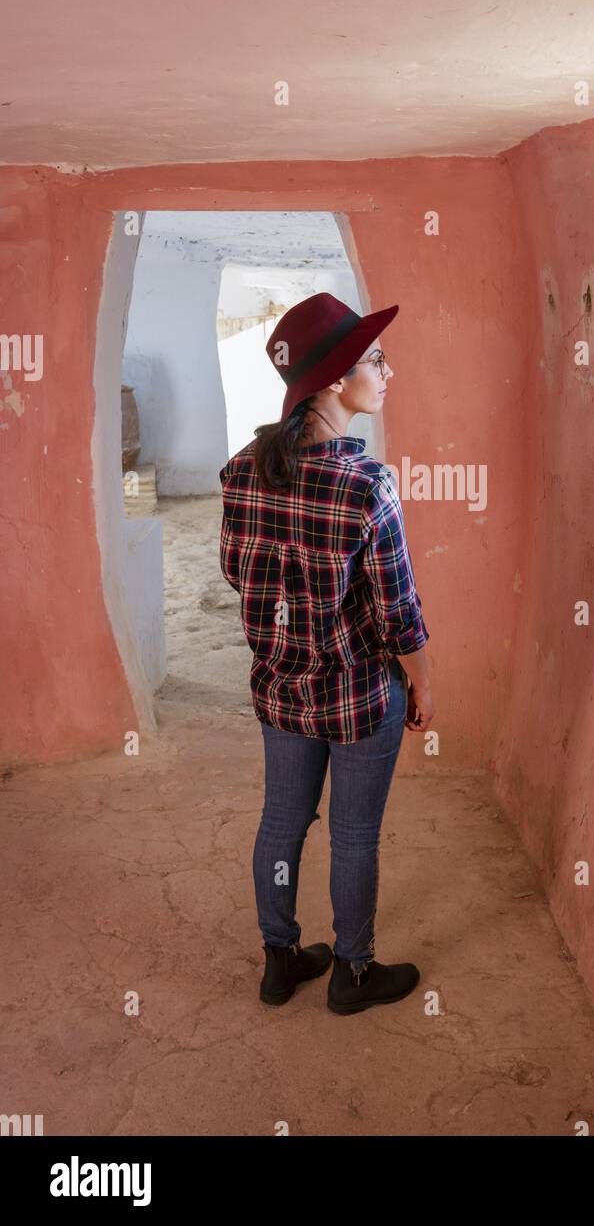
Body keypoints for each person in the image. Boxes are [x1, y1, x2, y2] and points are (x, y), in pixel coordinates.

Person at [218, 291, 433, 1016]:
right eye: (376, 359)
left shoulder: (240, 471)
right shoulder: (363, 483)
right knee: (353, 837)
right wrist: (421, 683)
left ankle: (279, 961)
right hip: (357, 694)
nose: (387, 369)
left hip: (280, 688)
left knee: (282, 822)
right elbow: (396, 611)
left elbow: (237, 575)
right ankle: (352, 973)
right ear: (338, 379)